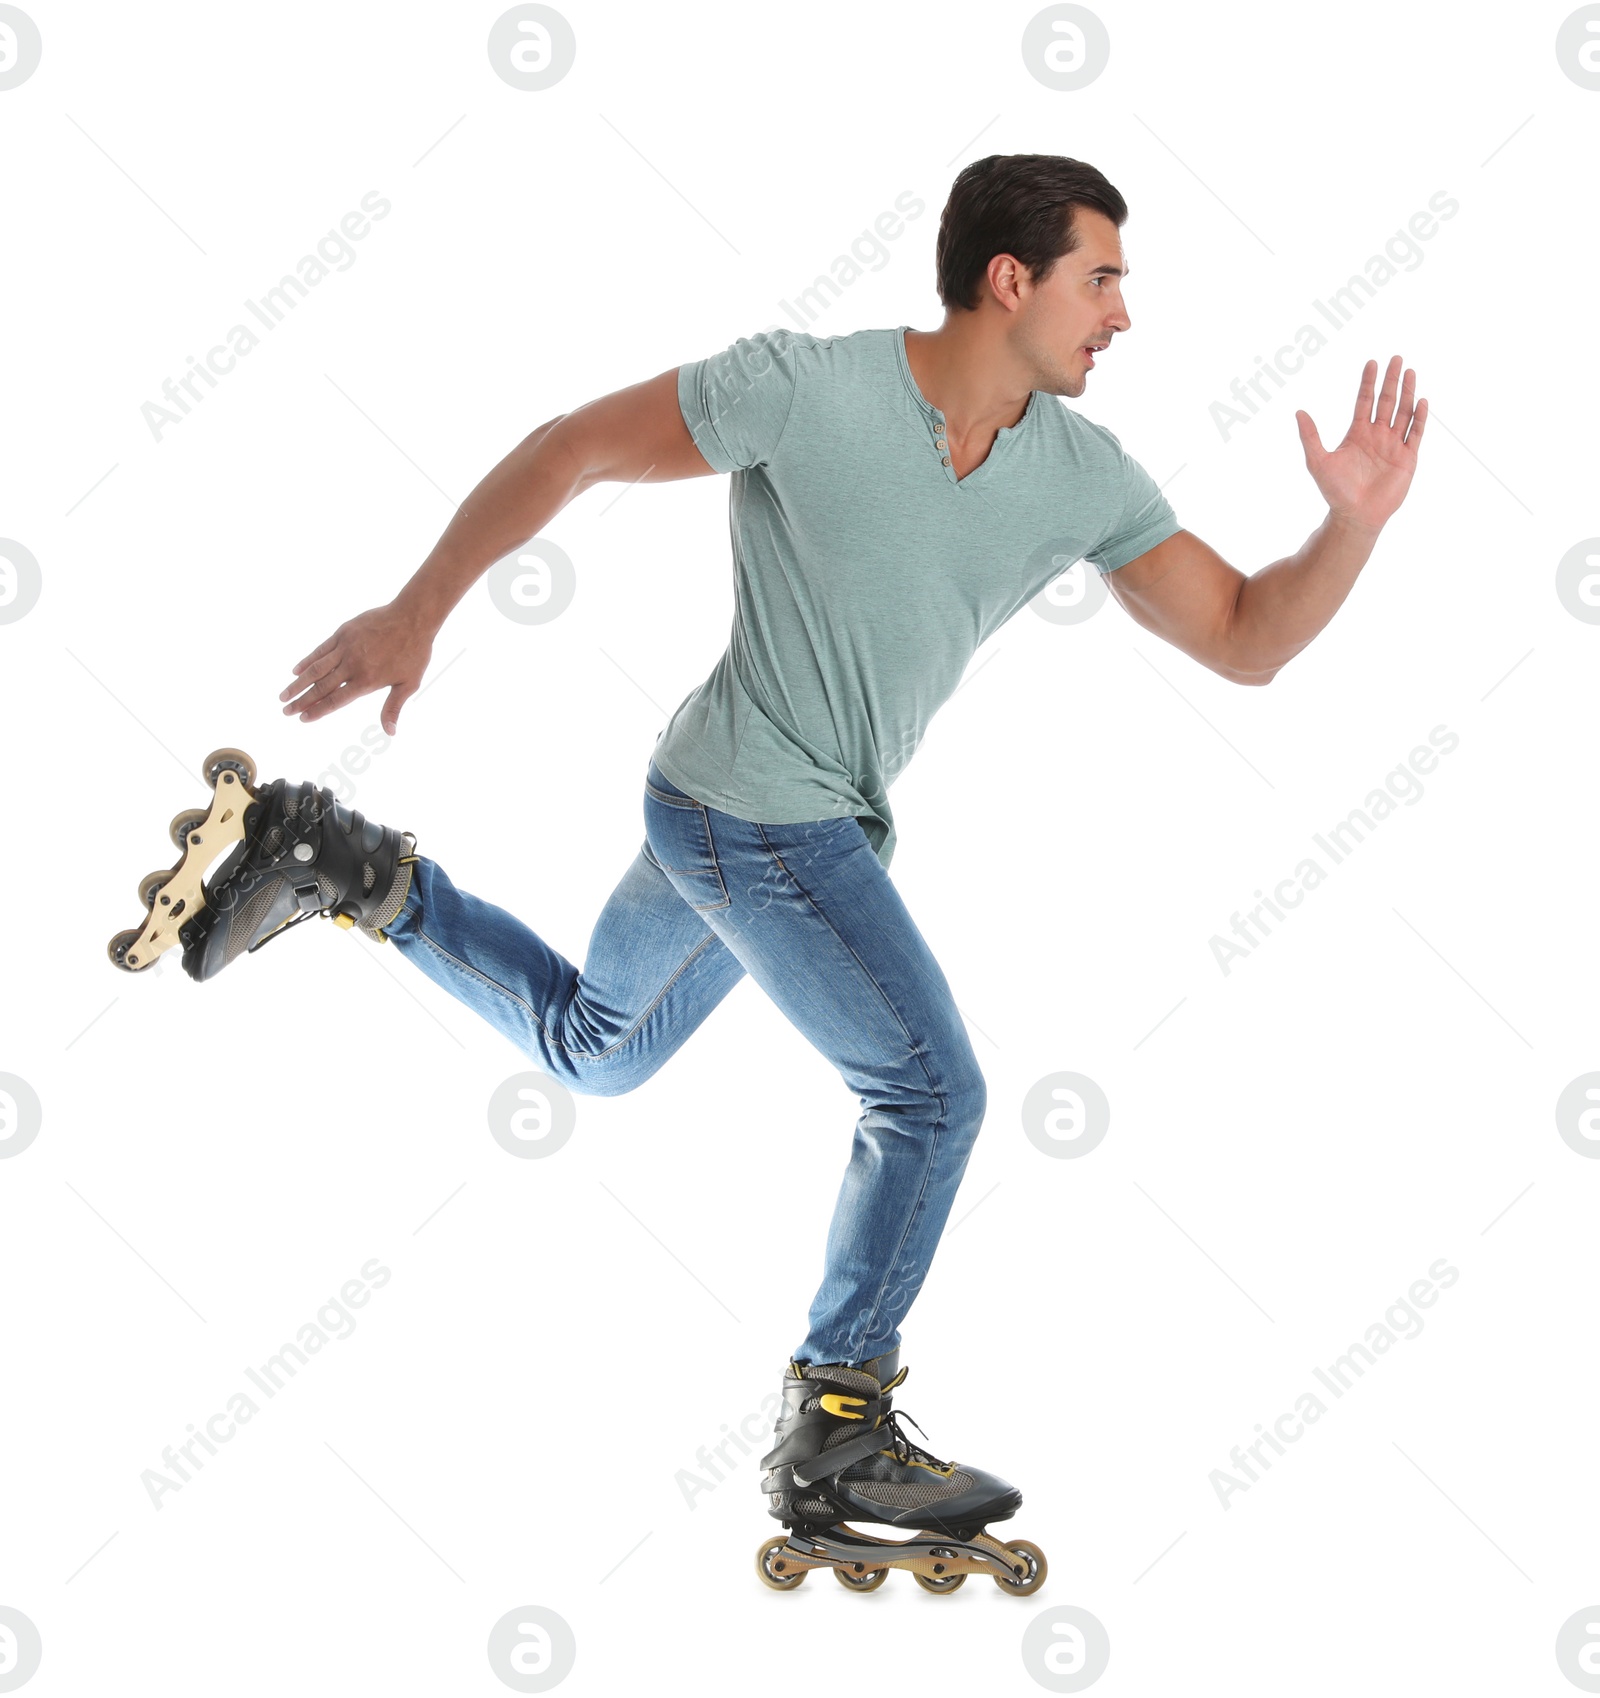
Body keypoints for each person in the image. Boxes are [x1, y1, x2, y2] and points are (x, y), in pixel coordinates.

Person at [132, 155, 1427, 1576]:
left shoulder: (1080, 475)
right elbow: (572, 445)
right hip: (755, 816)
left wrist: (1352, 522)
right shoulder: (806, 391)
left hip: (736, 813)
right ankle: (839, 1412)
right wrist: (417, 610)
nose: (1122, 316)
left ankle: (348, 865)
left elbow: (1245, 634)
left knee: (595, 1048)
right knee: (932, 1092)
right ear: (1013, 278)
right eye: (1102, 279)